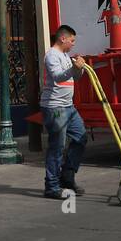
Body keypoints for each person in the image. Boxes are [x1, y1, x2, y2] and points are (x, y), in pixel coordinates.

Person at [41, 24, 88, 199]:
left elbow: (75, 76)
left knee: (80, 137)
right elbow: (59, 76)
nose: (73, 44)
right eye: (72, 40)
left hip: (68, 106)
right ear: (63, 38)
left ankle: (67, 176)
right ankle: (52, 186)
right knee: (57, 147)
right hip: (55, 108)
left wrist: (79, 67)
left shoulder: (65, 55)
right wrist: (74, 68)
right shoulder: (52, 56)